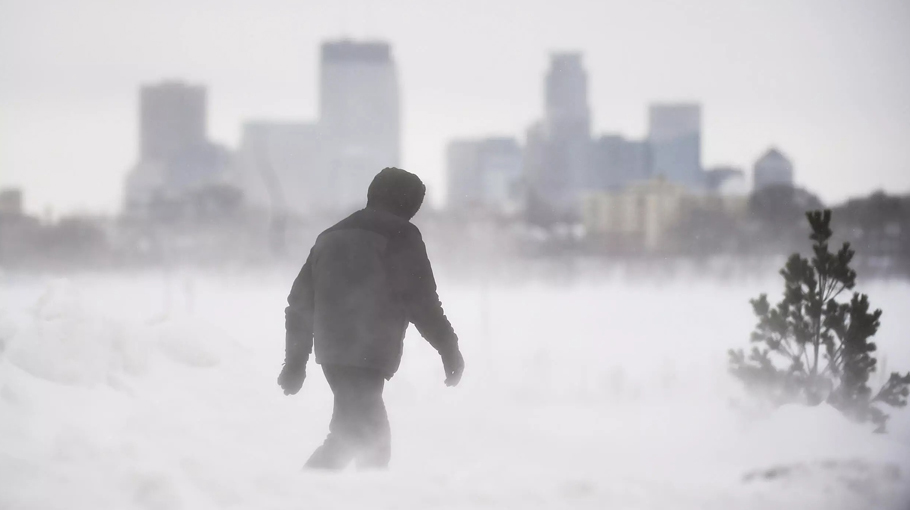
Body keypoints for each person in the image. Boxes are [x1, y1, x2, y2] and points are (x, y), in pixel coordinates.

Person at [278, 167, 465, 470]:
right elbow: (422, 301)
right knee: (370, 442)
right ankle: (307, 497)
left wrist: (295, 363)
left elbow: (299, 304)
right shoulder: (401, 234)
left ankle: (315, 495)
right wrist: (449, 348)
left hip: (333, 355)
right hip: (367, 353)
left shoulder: (330, 236)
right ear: (407, 203)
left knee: (351, 436)